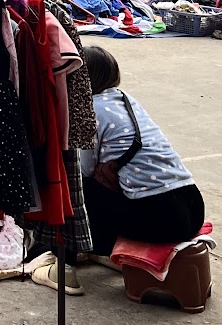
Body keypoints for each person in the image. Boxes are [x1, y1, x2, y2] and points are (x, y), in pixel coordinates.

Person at [80, 45, 205, 258]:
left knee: (76, 186)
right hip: (193, 206)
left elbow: (85, 169)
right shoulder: (126, 99)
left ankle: (93, 248)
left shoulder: (89, 110)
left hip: (162, 216)